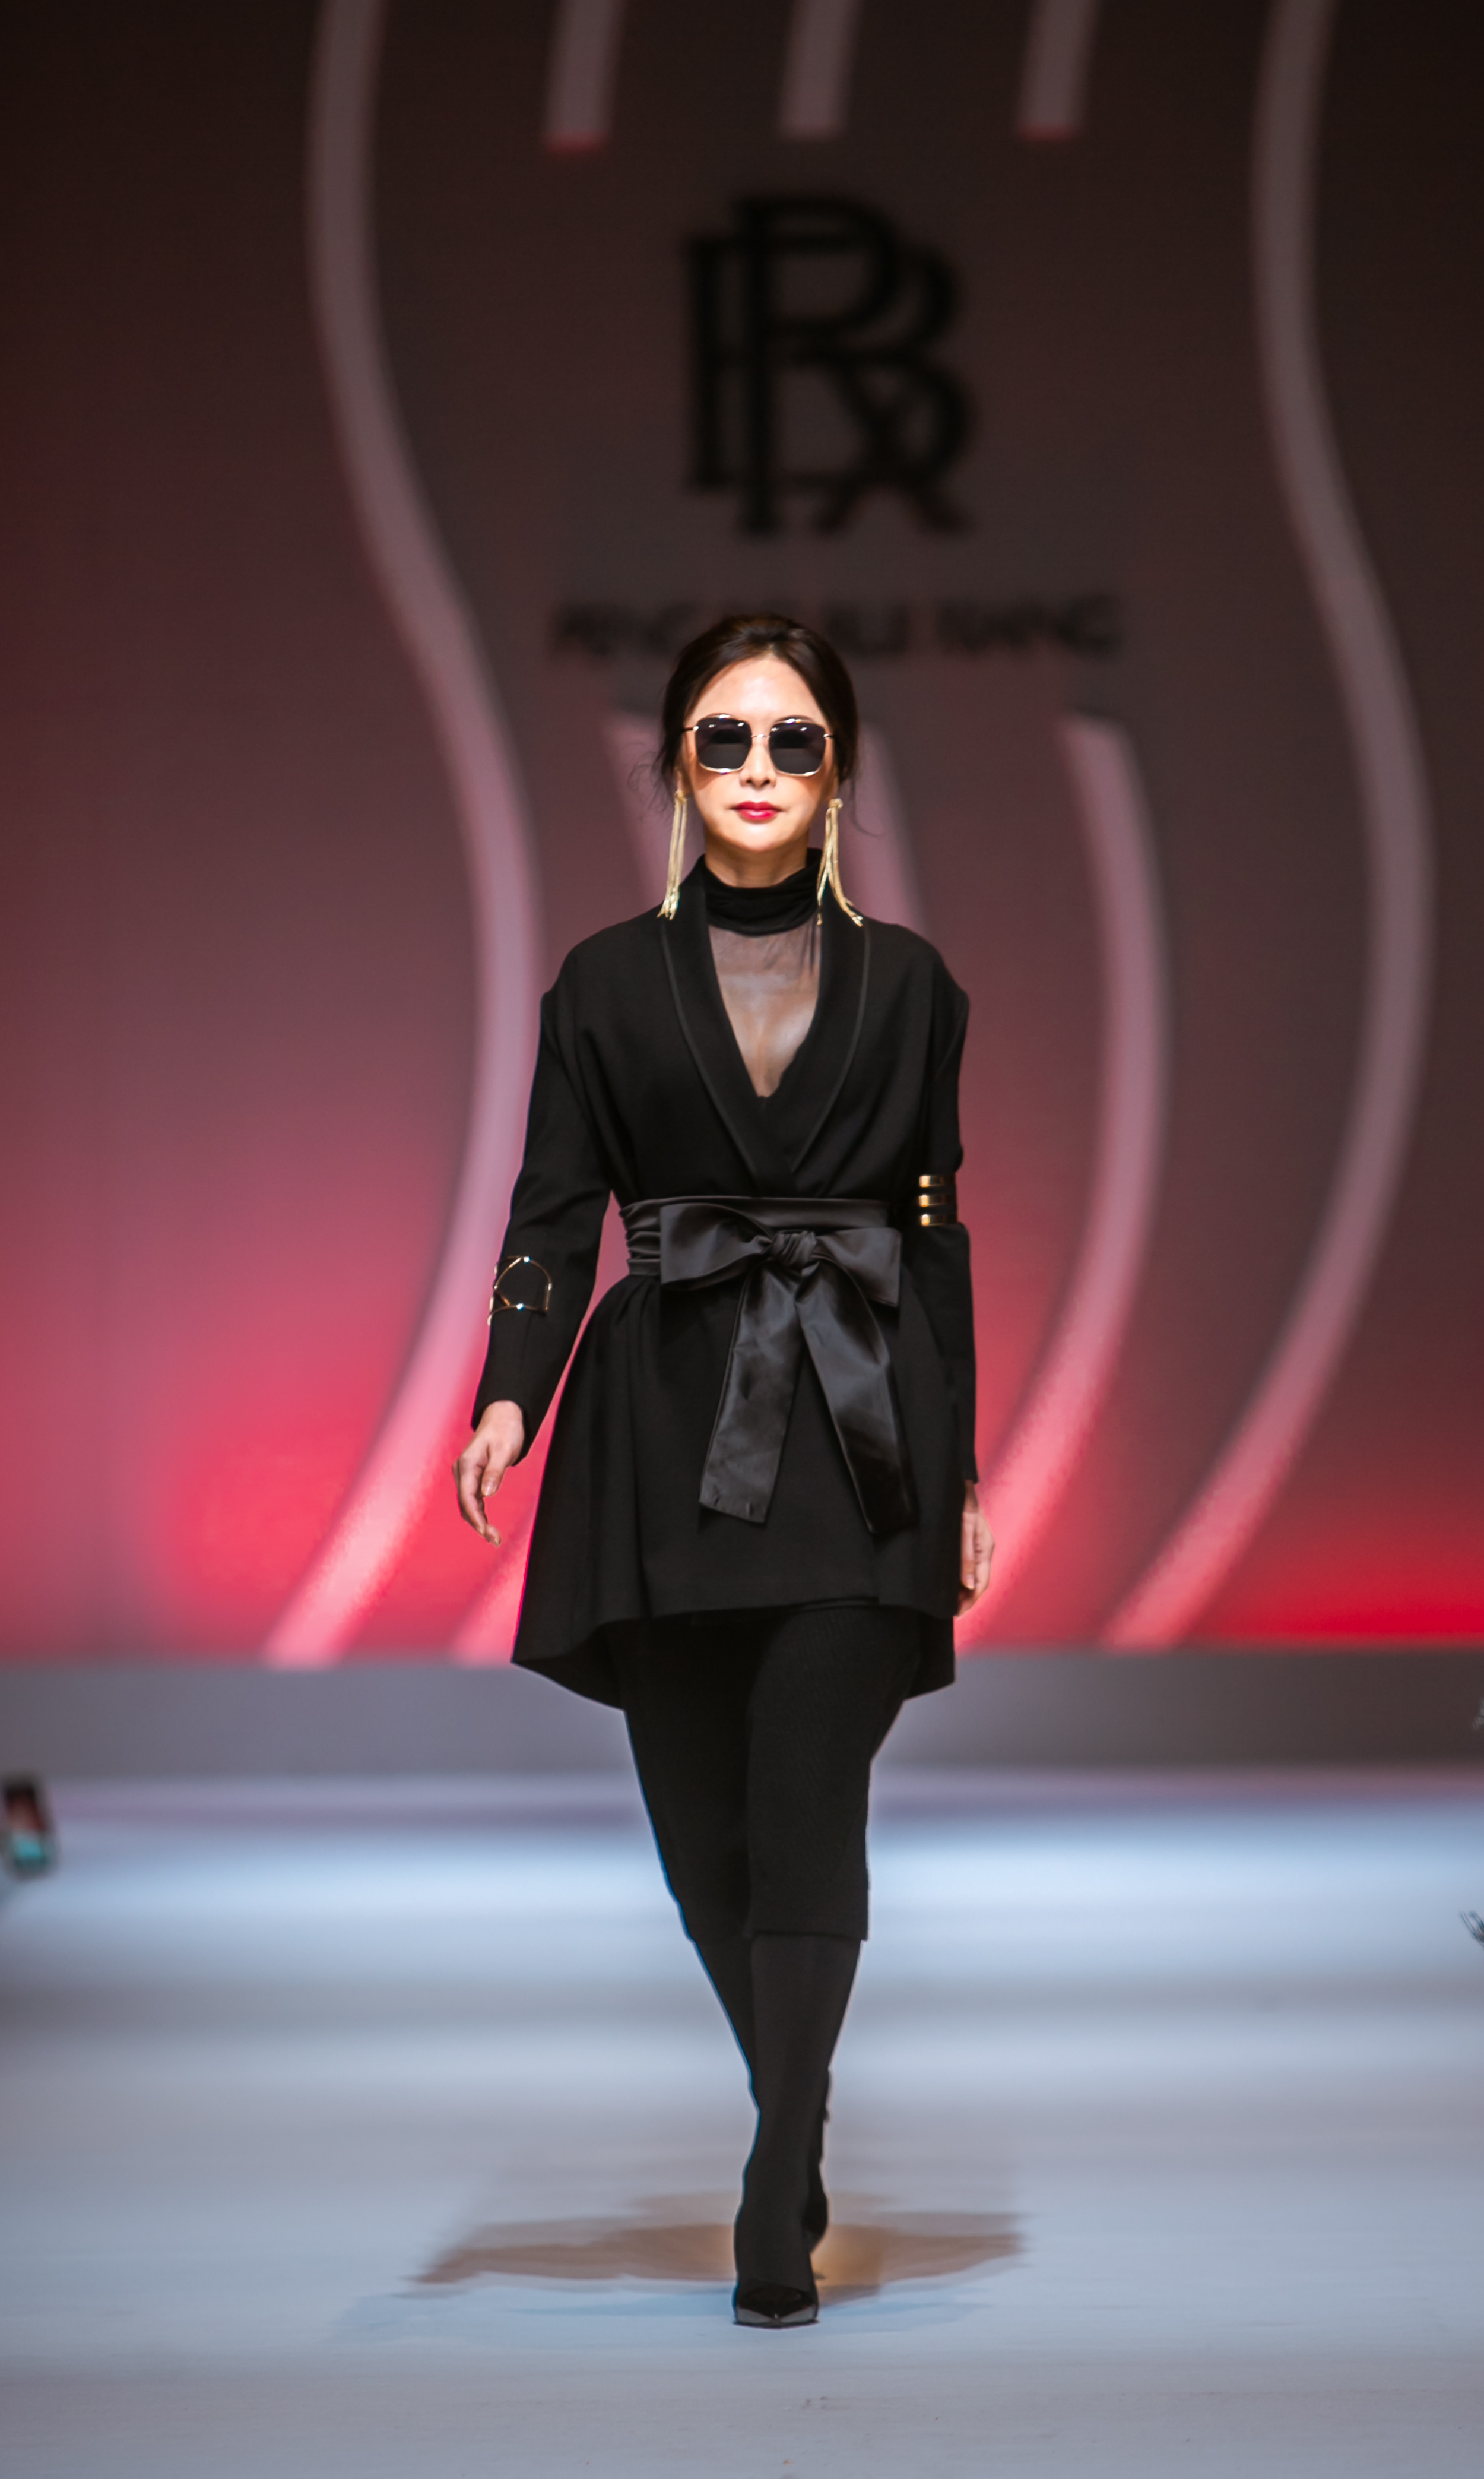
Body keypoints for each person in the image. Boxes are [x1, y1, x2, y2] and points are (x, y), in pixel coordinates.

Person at [454, 612, 992, 2328]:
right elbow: (552, 1213)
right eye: (725, 738)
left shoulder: (914, 985)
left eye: (793, 740)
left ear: (839, 770)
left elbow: (933, 1239)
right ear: (678, 764)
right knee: (702, 1842)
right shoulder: (604, 984)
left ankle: (776, 2186)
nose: (758, 769)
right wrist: (509, 1396)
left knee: (807, 1803)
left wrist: (963, 1468)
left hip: (859, 1438)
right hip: (663, 1433)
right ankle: (794, 2113)